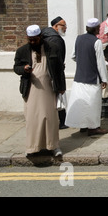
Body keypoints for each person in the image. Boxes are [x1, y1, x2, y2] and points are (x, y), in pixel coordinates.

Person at [13, 25, 65, 156]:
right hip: (31, 89)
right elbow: (16, 68)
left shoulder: (52, 47)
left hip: (49, 88)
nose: (32, 42)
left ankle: (53, 146)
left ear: (40, 37)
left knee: (50, 118)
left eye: (34, 40)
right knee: (33, 119)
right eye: (30, 40)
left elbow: (59, 69)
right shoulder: (22, 51)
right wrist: (23, 69)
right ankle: (33, 148)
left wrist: (61, 87)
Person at [65, 18, 108, 136]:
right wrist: (104, 79)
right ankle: (93, 127)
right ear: (96, 29)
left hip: (79, 76)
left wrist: (82, 61)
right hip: (92, 78)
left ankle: (83, 126)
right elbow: (100, 62)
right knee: (93, 104)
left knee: (81, 103)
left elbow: (73, 56)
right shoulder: (97, 41)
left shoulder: (78, 38)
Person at [41, 16, 68, 129]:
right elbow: (58, 59)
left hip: (44, 71)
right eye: (63, 25)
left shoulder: (44, 35)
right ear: (56, 26)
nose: (65, 28)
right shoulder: (56, 39)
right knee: (58, 94)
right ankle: (62, 121)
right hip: (54, 72)